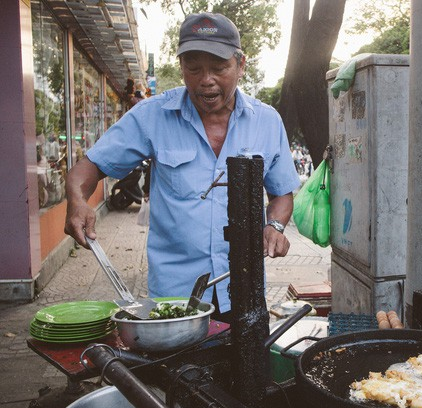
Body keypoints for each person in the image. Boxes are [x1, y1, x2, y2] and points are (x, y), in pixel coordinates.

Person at [64, 12, 300, 319]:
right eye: (194, 68)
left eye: (219, 68)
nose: (206, 80)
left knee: (245, 366)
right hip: (175, 296)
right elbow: (88, 167)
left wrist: (275, 226)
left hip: (242, 287)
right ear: (181, 68)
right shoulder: (153, 115)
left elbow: (283, 191)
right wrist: (77, 201)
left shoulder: (267, 121)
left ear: (241, 65)